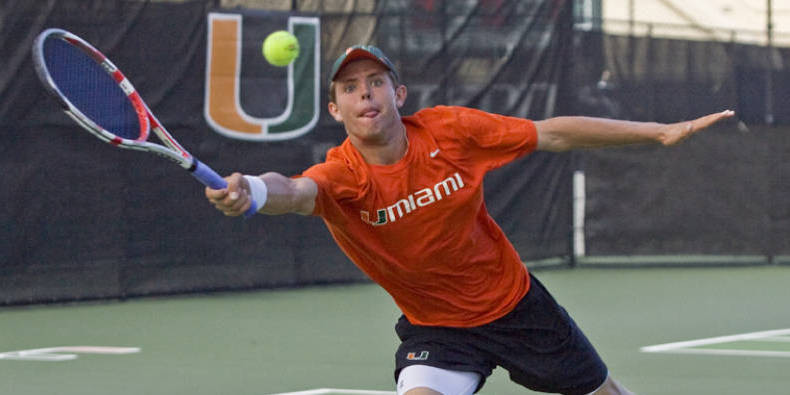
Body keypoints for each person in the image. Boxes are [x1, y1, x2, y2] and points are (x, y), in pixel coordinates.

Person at [205, 45, 734, 395]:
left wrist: (658, 132)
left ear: (398, 94)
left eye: (375, 81)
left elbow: (551, 132)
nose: (364, 92)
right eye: (349, 88)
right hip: (438, 327)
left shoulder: (451, 131)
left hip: (517, 307)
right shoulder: (343, 175)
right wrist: (250, 191)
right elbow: (295, 191)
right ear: (336, 111)